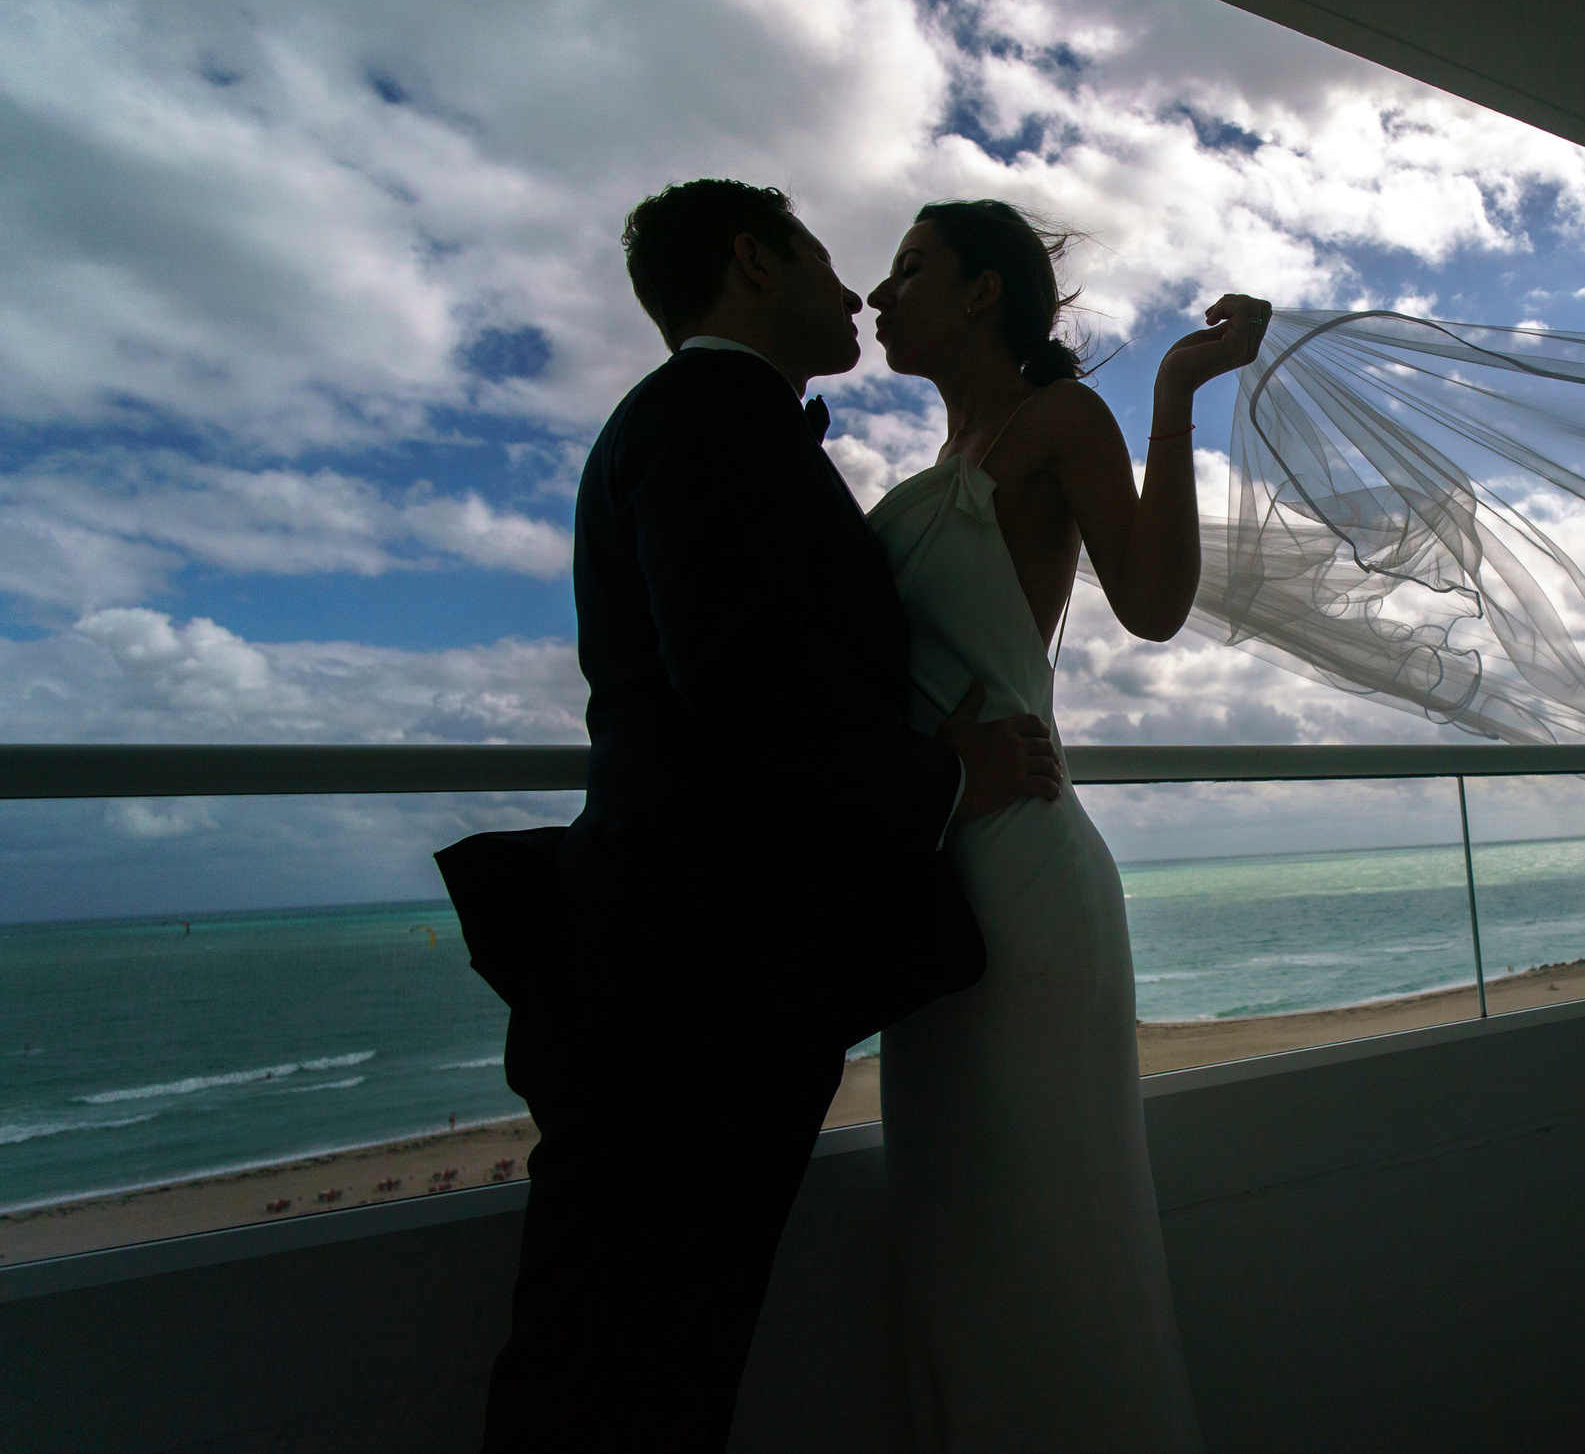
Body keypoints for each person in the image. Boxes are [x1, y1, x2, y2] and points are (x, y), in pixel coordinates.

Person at [459, 179, 1065, 1454]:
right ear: (751, 263)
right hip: (686, 984)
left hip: (692, 973)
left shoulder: (726, 423)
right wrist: (944, 773)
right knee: (620, 1368)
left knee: (652, 1354)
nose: (854, 294)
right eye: (829, 261)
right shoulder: (707, 420)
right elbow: (743, 674)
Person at [862, 199, 1269, 1451]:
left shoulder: (1056, 423)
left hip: (1022, 874)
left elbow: (1150, 601)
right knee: (956, 1231)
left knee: (1044, 1226)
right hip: (930, 873)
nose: (880, 296)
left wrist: (1176, 395)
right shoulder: (921, 477)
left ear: (982, 293)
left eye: (908, 270)